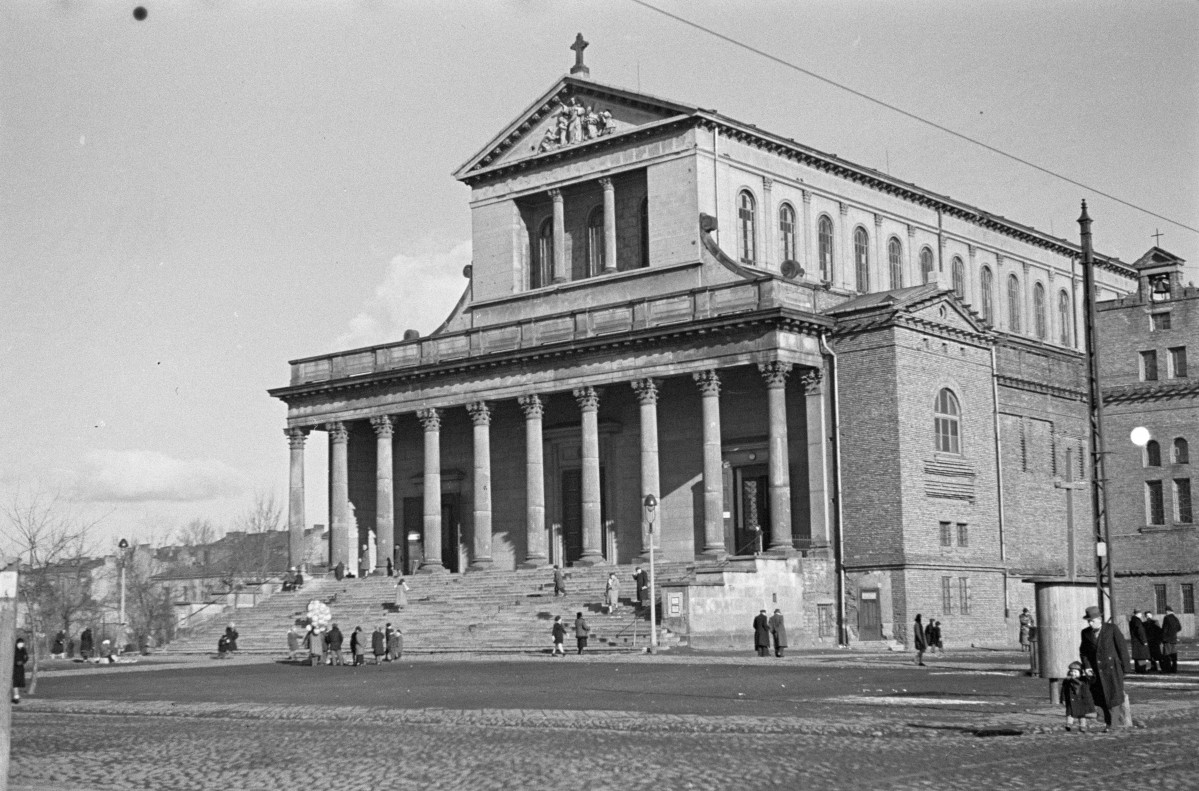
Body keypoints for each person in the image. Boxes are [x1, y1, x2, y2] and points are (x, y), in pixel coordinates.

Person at [1079, 605, 1131, 731]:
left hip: (1112, 669)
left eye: (1092, 620)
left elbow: (1122, 648)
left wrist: (1126, 668)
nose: (1091, 623)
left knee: (1114, 697)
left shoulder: (1111, 629)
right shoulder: (1085, 633)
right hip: (1096, 672)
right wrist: (1087, 667)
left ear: (1099, 619)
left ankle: (1113, 725)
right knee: (1102, 699)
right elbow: (1084, 652)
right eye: (1089, 621)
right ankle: (1109, 723)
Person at [1060, 661, 1095, 732]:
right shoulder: (1067, 680)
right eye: (1071, 671)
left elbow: (1092, 679)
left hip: (1081, 700)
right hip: (1071, 700)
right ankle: (1068, 724)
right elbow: (1063, 690)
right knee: (1069, 713)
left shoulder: (1084, 680)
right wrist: (1063, 699)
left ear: (1080, 672)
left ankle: (1082, 726)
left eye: (1075, 672)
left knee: (1082, 714)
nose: (1073, 673)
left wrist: (1089, 671)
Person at [1160, 605, 1181, 674]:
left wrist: (1163, 638)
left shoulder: (1166, 618)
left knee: (1167, 655)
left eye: (1165, 611)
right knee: (1173, 654)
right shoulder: (1175, 618)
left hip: (1167, 639)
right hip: (1174, 639)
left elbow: (1164, 629)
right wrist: (1173, 632)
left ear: (1167, 611)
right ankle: (1174, 669)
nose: (1165, 613)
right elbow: (1179, 628)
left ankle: (1167, 669)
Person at [1129, 609, 1150, 674]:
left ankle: (1137, 669)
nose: (1141, 615)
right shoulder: (1137, 621)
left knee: (1137, 657)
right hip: (1139, 642)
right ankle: (1142, 669)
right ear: (1138, 613)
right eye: (1140, 613)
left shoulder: (1132, 620)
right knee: (1141, 656)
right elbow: (1140, 631)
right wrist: (1144, 641)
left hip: (1135, 641)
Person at [12, 637, 27, 704]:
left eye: (22, 643)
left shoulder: (23, 650)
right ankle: (16, 697)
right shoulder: (14, 649)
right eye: (20, 643)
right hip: (15, 667)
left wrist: (22, 662)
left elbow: (26, 657)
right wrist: (16, 662)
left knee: (18, 682)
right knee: (15, 682)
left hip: (21, 668)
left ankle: (16, 697)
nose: (21, 644)